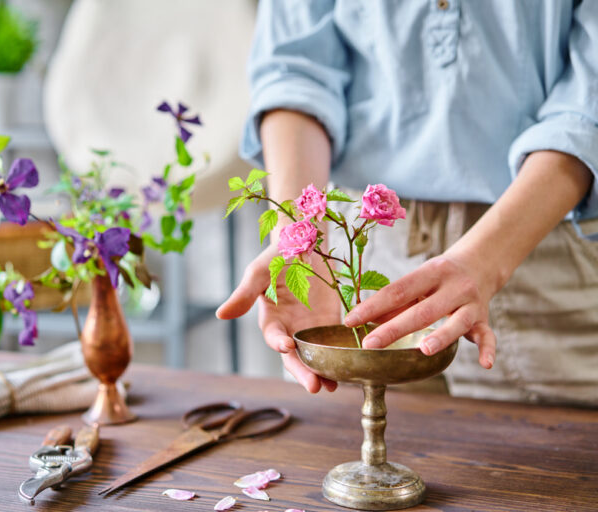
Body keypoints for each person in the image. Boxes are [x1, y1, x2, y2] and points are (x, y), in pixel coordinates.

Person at [217, 0, 598, 407]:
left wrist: (486, 260)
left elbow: (587, 103)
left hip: (543, 243)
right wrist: (301, 240)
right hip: (356, 259)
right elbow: (295, 71)